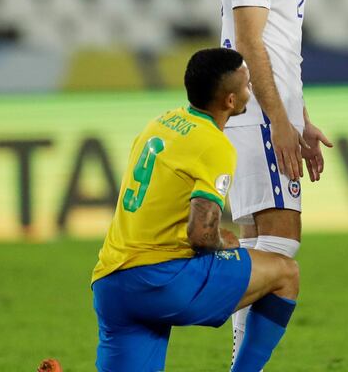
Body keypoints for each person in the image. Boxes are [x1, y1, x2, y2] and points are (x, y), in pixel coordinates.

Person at [91, 48, 299, 372]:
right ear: (230, 101)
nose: (250, 90)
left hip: (112, 284)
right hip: (159, 281)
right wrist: (223, 241)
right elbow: (201, 235)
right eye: (246, 84)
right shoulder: (214, 145)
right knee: (285, 273)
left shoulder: (159, 124)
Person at [217, 0, 337, 360]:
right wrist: (279, 122)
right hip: (257, 117)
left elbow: (282, 47)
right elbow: (249, 42)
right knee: (280, 250)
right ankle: (172, 296)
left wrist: (301, 119)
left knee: (258, 252)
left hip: (269, 114)